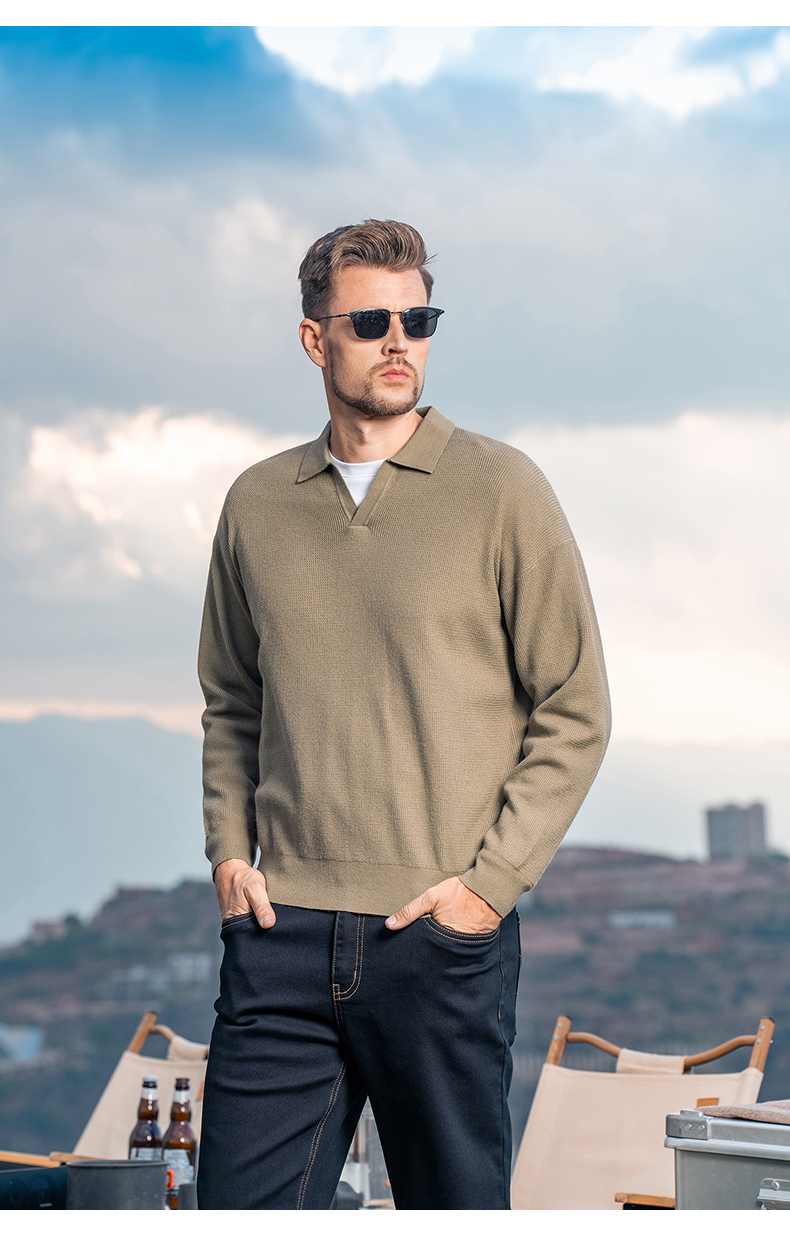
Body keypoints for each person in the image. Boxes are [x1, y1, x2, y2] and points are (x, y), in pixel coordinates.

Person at [196, 219, 611, 1211]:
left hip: (436, 936)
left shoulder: (502, 489)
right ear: (315, 338)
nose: (398, 342)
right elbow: (232, 701)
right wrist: (229, 853)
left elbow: (574, 708)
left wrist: (486, 891)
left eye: (417, 321)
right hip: (280, 931)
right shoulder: (256, 503)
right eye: (371, 321)